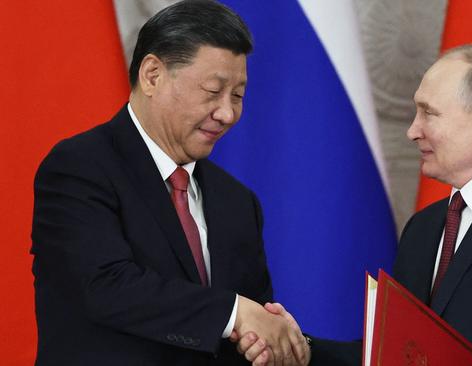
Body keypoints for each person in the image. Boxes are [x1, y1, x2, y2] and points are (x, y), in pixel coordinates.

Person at [241, 43, 472, 365]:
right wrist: (299, 346)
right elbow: (392, 356)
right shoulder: (425, 227)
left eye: (428, 113)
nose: (413, 130)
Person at [31, 1, 309, 365]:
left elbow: (247, 327)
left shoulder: (238, 202)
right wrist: (234, 312)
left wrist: (273, 342)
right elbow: (105, 287)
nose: (227, 113)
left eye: (238, 96)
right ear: (152, 75)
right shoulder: (79, 168)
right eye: (213, 90)